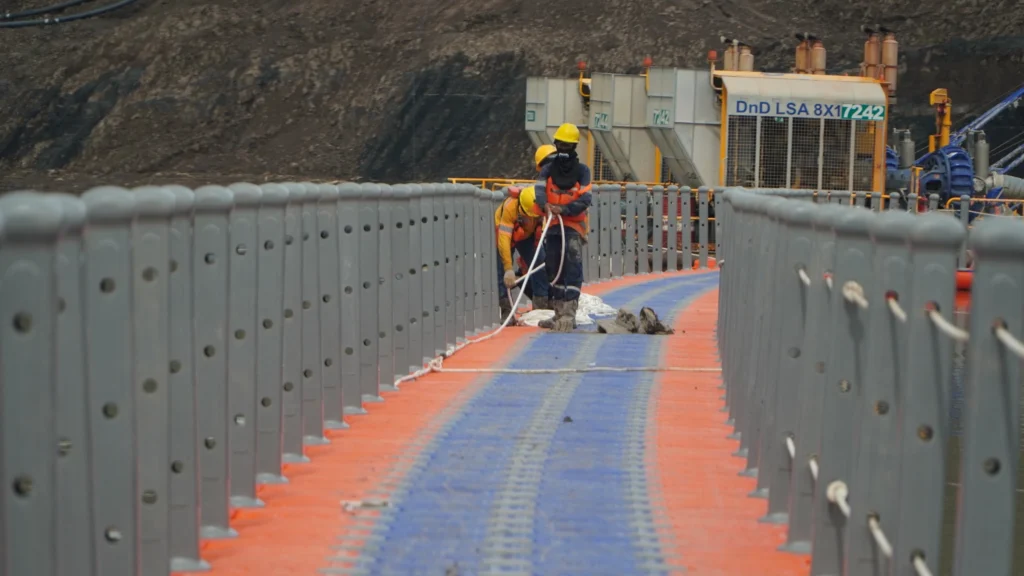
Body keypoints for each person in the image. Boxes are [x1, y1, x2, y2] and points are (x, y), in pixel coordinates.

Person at [534, 123, 592, 332]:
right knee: (553, 268)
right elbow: (539, 190)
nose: (563, 149)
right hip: (553, 228)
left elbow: (586, 198)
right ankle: (558, 313)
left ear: (574, 146)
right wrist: (546, 205)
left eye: (567, 145)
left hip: (573, 227)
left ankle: (569, 314)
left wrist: (564, 209)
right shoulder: (548, 170)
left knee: (572, 267)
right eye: (560, 144)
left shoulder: (582, 171)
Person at [495, 182, 551, 324]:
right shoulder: (510, 209)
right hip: (510, 234)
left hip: (529, 235)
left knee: (541, 265)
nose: (530, 219)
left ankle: (541, 307)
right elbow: (504, 241)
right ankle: (507, 312)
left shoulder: (540, 207)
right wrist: (508, 268)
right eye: (527, 216)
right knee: (502, 272)